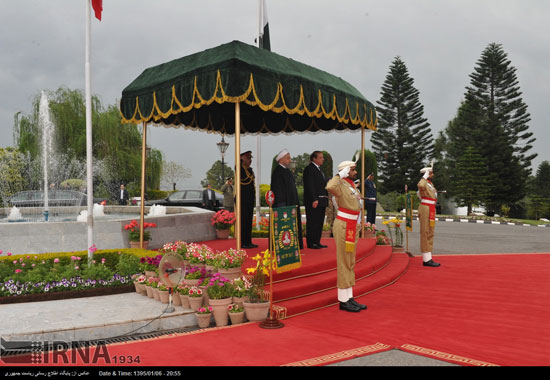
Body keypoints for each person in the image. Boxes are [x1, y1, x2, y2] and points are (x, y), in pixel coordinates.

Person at [326, 160, 367, 313]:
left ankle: (349, 296)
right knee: (344, 261)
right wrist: (338, 175)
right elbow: (329, 187)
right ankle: (343, 300)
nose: (355, 172)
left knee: (350, 261)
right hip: (343, 226)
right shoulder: (339, 185)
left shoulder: (350, 185)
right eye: (353, 170)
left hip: (352, 225)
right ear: (346, 170)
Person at [270, 149, 304, 250]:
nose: (290, 160)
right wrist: (283, 205)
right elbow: (278, 191)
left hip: (292, 204)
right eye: (288, 158)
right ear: (281, 159)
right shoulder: (278, 172)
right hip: (283, 205)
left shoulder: (287, 171)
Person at [303, 151, 329, 249]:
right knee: (312, 222)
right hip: (314, 201)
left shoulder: (319, 170)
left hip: (321, 200)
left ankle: (317, 241)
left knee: (319, 222)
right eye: (320, 157)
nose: (323, 159)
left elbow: (319, 184)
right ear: (314, 158)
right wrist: (314, 199)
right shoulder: (309, 169)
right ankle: (311, 243)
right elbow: (310, 185)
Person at [417, 165, 441, 267]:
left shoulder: (430, 184)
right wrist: (425, 176)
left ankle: (429, 257)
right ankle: (426, 259)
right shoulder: (423, 183)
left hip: (431, 209)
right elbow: (420, 186)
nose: (433, 174)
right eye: (430, 173)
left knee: (431, 232)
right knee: (425, 232)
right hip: (425, 209)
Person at [240, 151, 257, 249]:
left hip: (249, 199)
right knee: (243, 221)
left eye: (250, 158)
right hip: (242, 200)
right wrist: (240, 161)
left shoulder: (250, 170)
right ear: (242, 158)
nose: (250, 160)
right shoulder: (239, 169)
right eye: (248, 158)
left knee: (248, 221)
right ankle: (243, 242)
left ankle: (248, 241)